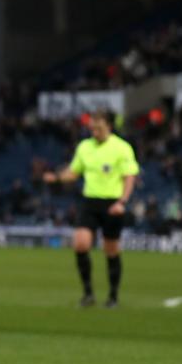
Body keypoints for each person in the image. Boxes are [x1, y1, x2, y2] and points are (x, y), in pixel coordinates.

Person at [43, 110, 139, 308]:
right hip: (90, 201)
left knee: (110, 249)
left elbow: (129, 176)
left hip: (112, 203)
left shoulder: (122, 148)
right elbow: (74, 172)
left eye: (99, 128)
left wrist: (122, 202)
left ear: (109, 126)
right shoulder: (85, 147)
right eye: (92, 128)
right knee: (80, 244)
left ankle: (113, 297)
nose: (94, 131)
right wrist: (57, 177)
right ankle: (88, 294)